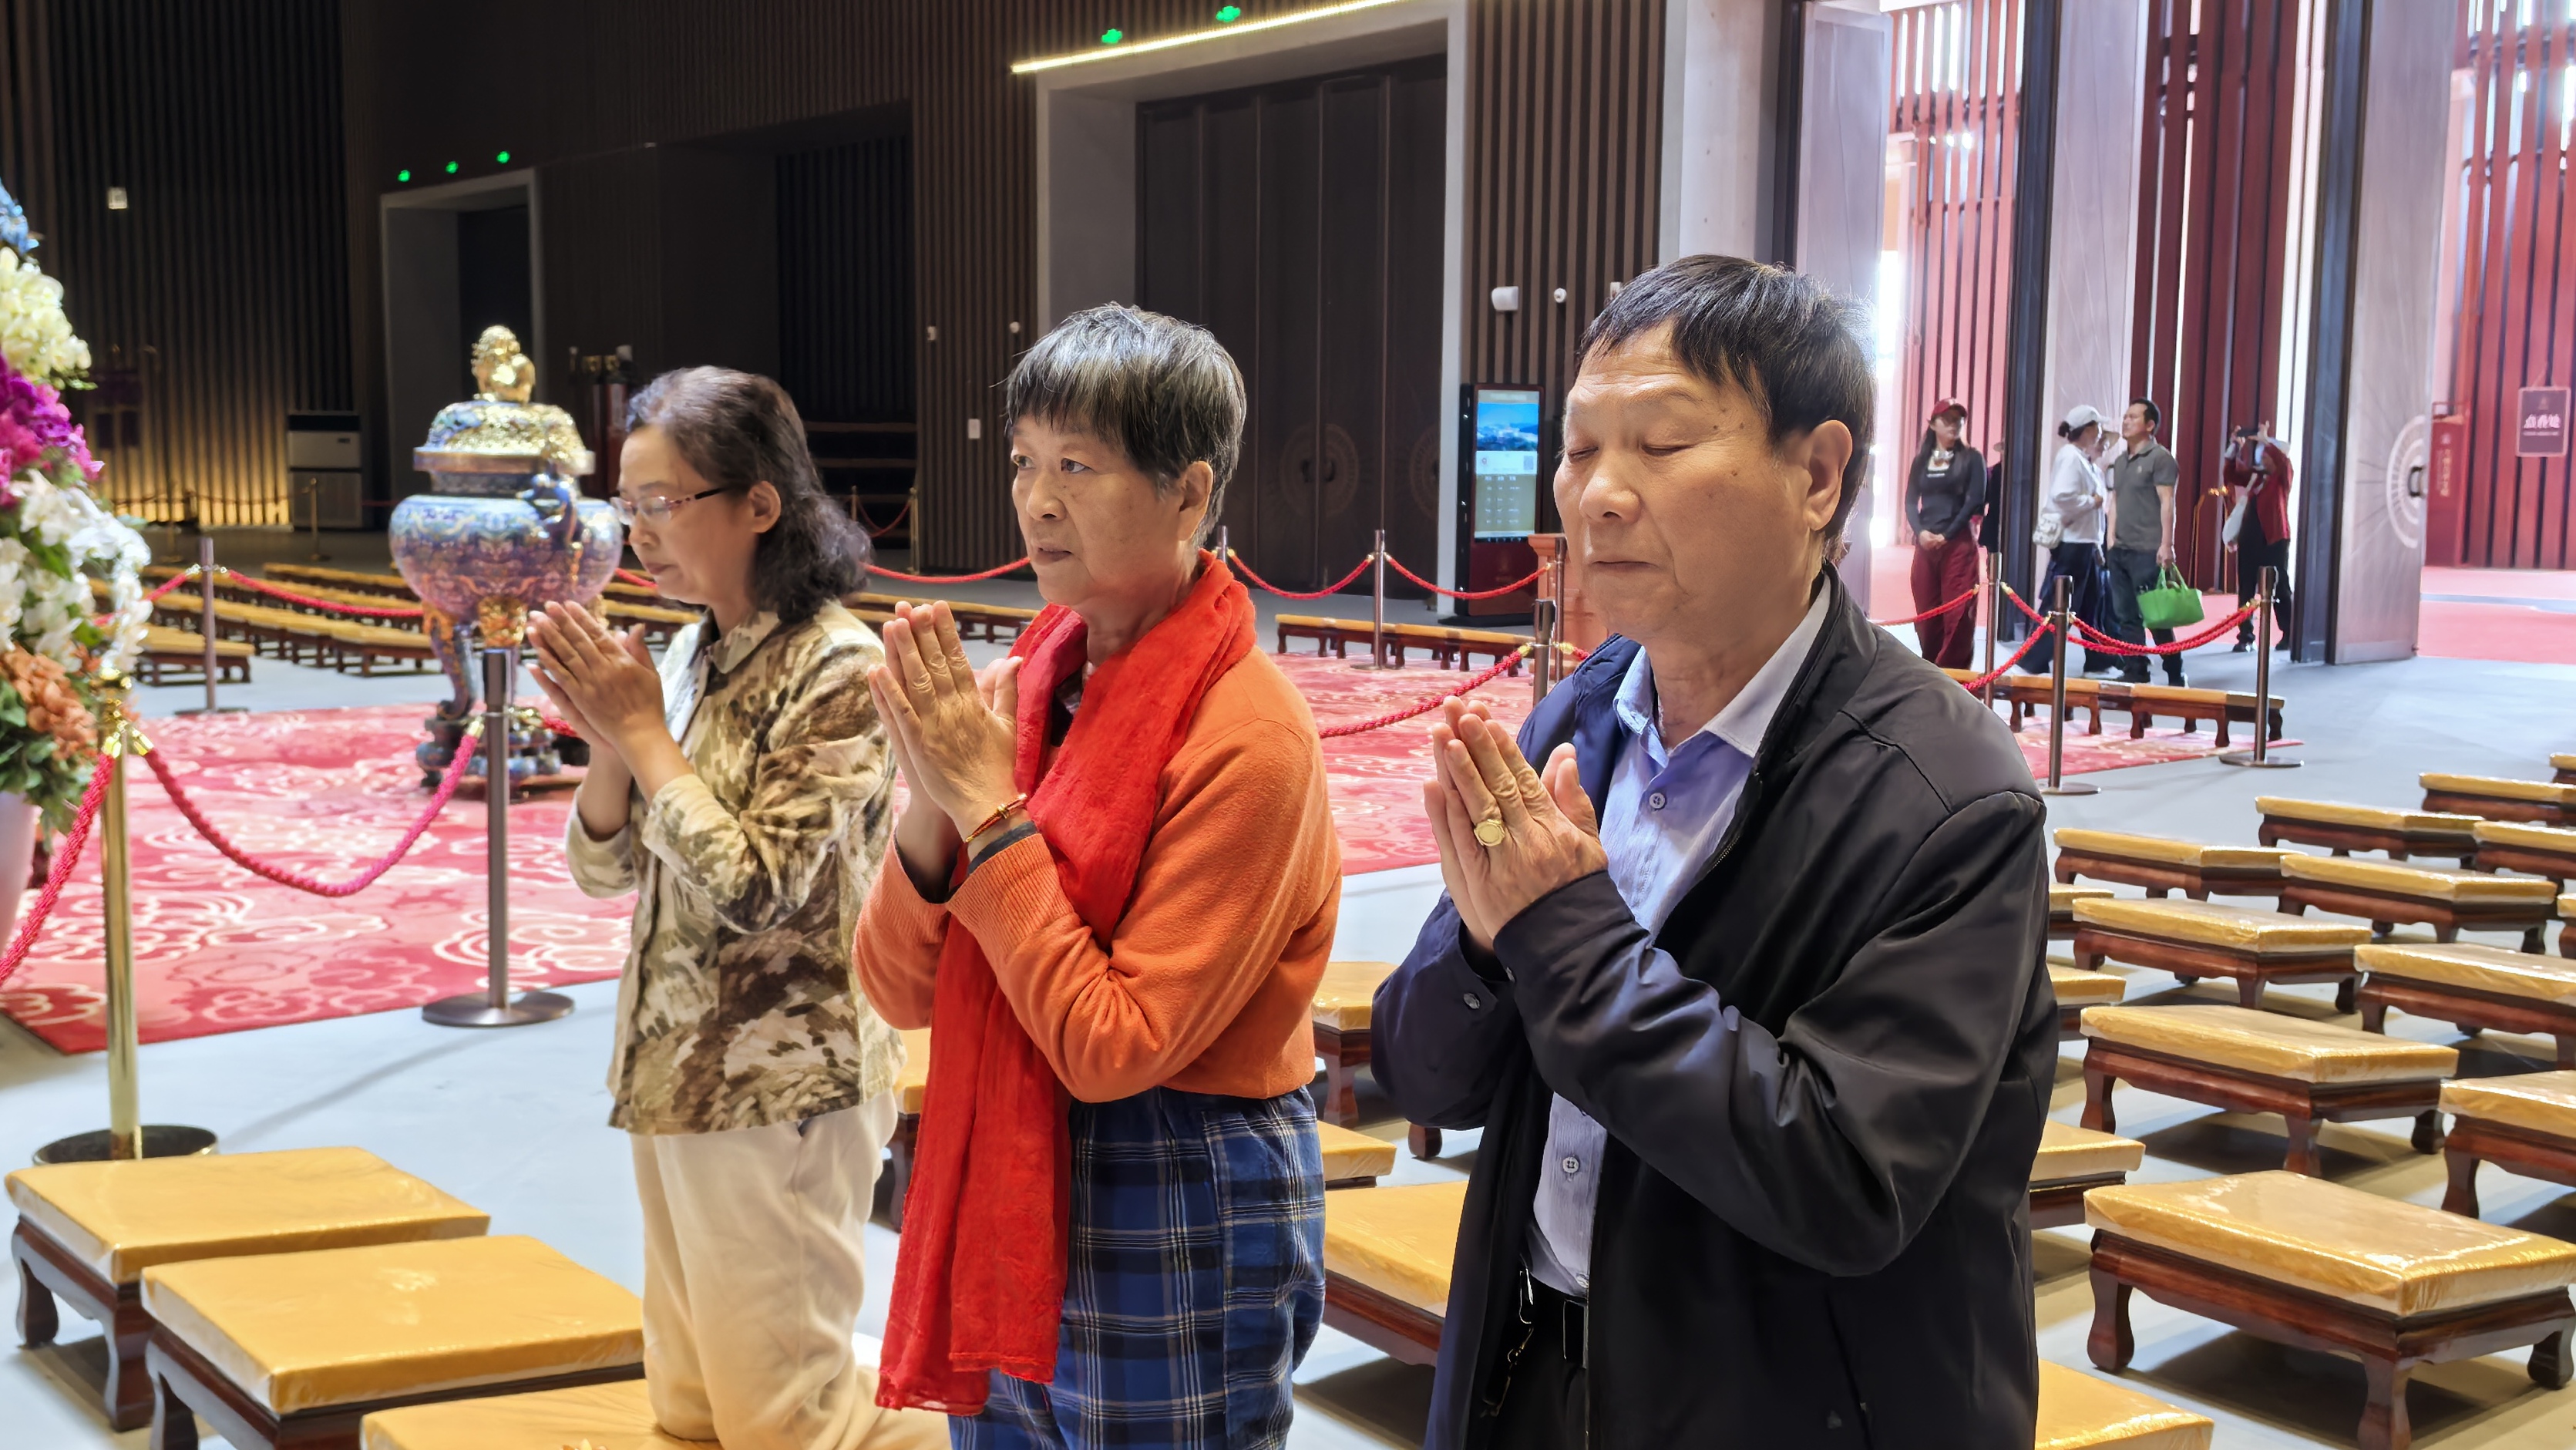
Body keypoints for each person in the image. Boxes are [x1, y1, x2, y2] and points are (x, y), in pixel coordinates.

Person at [1370, 255, 2054, 1448]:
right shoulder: (1579, 718)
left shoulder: (1948, 800)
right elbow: (1423, 1082)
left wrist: (1560, 935)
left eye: (1662, 443)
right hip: (1527, 1369)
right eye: (1580, 450)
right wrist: (1479, 956)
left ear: (1817, 475)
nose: (1598, 495)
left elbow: (1844, 1179)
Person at [850, 304, 1340, 1449]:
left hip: (1175, 1177)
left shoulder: (1248, 736)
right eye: (1024, 462)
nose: (1036, 500)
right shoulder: (1031, 682)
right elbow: (897, 987)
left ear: (1187, 492)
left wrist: (986, 812)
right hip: (1009, 1160)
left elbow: (1114, 1046)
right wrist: (933, 800)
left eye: (1077, 465)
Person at [533, 368, 942, 1450]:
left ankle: (980, 1435)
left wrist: (645, 736)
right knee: (694, 1410)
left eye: (662, 503)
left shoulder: (838, 667)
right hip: (675, 1068)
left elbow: (762, 886)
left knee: (789, 1424)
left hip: (783, 1084)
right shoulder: (690, 651)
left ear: (759, 503)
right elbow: (607, 871)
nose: (639, 532)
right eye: (627, 505)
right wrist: (611, 743)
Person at [2026, 405, 2118, 675]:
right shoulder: (2071, 457)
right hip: (2074, 544)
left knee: (2091, 604)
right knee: (2061, 605)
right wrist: (2092, 501)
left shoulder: (2081, 459)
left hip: (2085, 543)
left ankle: (2098, 661)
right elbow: (2061, 496)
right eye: (2097, 427)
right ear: (2087, 429)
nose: (2100, 433)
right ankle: (2034, 659)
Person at [2103, 398, 2186, 685]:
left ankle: (2174, 670)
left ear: (2150, 426)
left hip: (2147, 549)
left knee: (2156, 616)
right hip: (2121, 549)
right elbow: (2115, 501)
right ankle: (2135, 669)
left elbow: (2167, 502)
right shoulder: (2120, 462)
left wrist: (2166, 544)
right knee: (2126, 614)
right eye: (2125, 416)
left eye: (2133, 417)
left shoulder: (2161, 458)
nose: (2126, 421)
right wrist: (2110, 538)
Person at [1901, 396, 1986, 668]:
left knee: (1958, 614)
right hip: (1926, 544)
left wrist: (1947, 535)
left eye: (1959, 420)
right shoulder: (1922, 460)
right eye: (1947, 420)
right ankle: (1931, 670)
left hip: (1958, 543)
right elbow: (1910, 501)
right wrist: (1920, 532)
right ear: (1933, 424)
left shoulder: (1972, 458)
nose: (1954, 425)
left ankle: (1954, 676)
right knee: (1927, 613)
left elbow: (1975, 500)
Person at [2224, 421, 2295, 650]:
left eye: (2267, 455)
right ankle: (2245, 636)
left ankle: (2289, 633)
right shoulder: (2256, 477)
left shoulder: (2282, 477)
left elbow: (2283, 462)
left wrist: (2266, 440)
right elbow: (2232, 474)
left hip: (2274, 539)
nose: (2262, 457)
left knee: (2280, 586)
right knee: (2246, 587)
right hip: (2250, 538)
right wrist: (2235, 447)